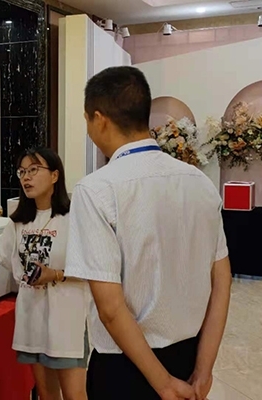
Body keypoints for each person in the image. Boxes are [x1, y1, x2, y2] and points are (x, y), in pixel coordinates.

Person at [64, 66, 232, 400]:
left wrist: (163, 383)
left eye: (86, 120)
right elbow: (222, 282)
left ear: (99, 119)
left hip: (126, 366)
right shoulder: (200, 182)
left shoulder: (96, 189)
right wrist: (204, 369)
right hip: (190, 357)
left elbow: (111, 308)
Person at [0, 148, 88, 400]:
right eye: (22, 172)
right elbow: (0, 253)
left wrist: (54, 274)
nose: (26, 177)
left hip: (67, 321)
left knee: (74, 395)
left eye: (34, 170)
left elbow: (91, 268)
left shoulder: (73, 218)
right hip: (32, 319)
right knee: (46, 395)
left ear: (55, 175)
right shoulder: (19, 221)